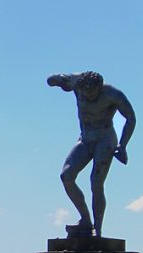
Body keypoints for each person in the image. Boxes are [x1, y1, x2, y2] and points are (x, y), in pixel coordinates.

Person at [47, 71, 136, 237]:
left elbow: (131, 117)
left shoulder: (112, 94)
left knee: (96, 182)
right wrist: (60, 80)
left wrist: (122, 145)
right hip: (86, 138)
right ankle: (85, 220)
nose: (88, 97)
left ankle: (98, 228)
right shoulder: (76, 83)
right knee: (66, 176)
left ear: (99, 88)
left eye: (92, 93)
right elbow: (51, 80)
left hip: (105, 139)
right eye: (85, 93)